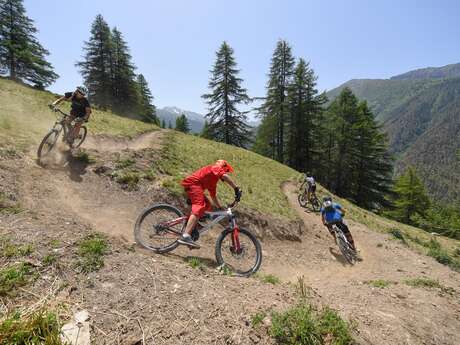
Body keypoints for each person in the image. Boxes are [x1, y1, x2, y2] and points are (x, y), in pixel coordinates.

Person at [178, 160, 242, 248]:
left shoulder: (213, 181)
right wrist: (236, 188)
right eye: (225, 170)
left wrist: (220, 207)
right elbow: (225, 176)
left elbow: (213, 196)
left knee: (207, 205)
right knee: (199, 206)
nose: (225, 172)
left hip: (194, 186)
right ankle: (186, 235)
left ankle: (194, 226)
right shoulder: (215, 168)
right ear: (222, 167)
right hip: (193, 185)